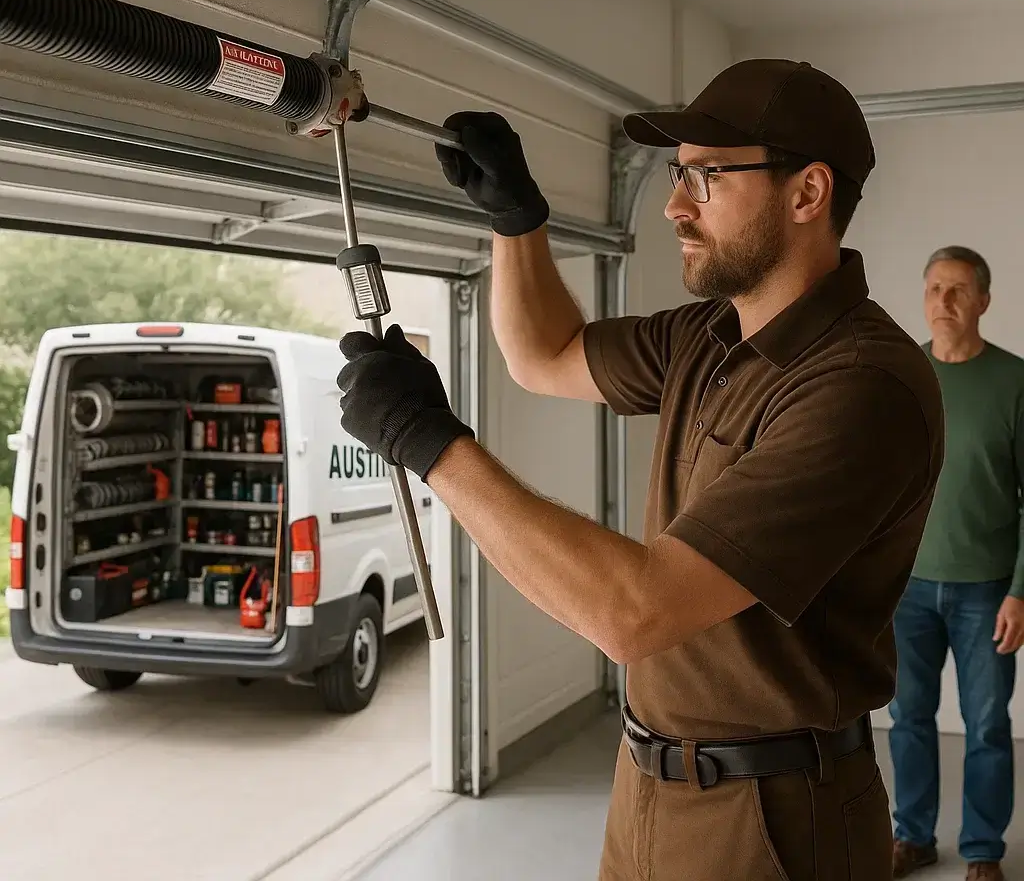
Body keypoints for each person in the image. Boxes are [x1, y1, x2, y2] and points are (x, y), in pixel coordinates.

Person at [334, 58, 945, 880]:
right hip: (646, 784)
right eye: (677, 173)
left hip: (773, 817)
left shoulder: (861, 385)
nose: (674, 205)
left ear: (807, 193)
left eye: (707, 176)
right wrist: (517, 220)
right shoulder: (705, 336)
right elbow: (544, 353)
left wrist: (426, 441)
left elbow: (635, 611)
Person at [889, 246, 1024, 881]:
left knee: (988, 725)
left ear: (983, 302)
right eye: (934, 288)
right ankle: (913, 837)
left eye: (958, 290)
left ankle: (983, 851)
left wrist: (1020, 590)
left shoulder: (1014, 382)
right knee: (908, 718)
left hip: (988, 592)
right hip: (906, 589)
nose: (943, 301)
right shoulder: (900, 375)